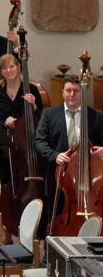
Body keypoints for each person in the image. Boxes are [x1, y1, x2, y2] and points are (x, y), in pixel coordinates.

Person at [32, 74, 103, 236]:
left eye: (76, 91)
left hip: (90, 178)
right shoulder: (49, 114)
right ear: (62, 92)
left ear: (82, 92)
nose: (72, 94)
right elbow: (39, 142)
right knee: (57, 214)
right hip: (59, 177)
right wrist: (55, 155)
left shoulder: (97, 117)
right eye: (68, 90)